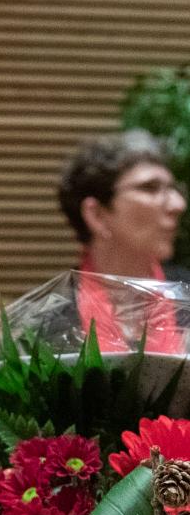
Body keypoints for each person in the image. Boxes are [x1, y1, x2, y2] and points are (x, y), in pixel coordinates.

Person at [57, 129, 190, 351]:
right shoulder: (45, 319)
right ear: (97, 215)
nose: (178, 204)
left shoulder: (186, 293)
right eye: (150, 188)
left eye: (172, 189)